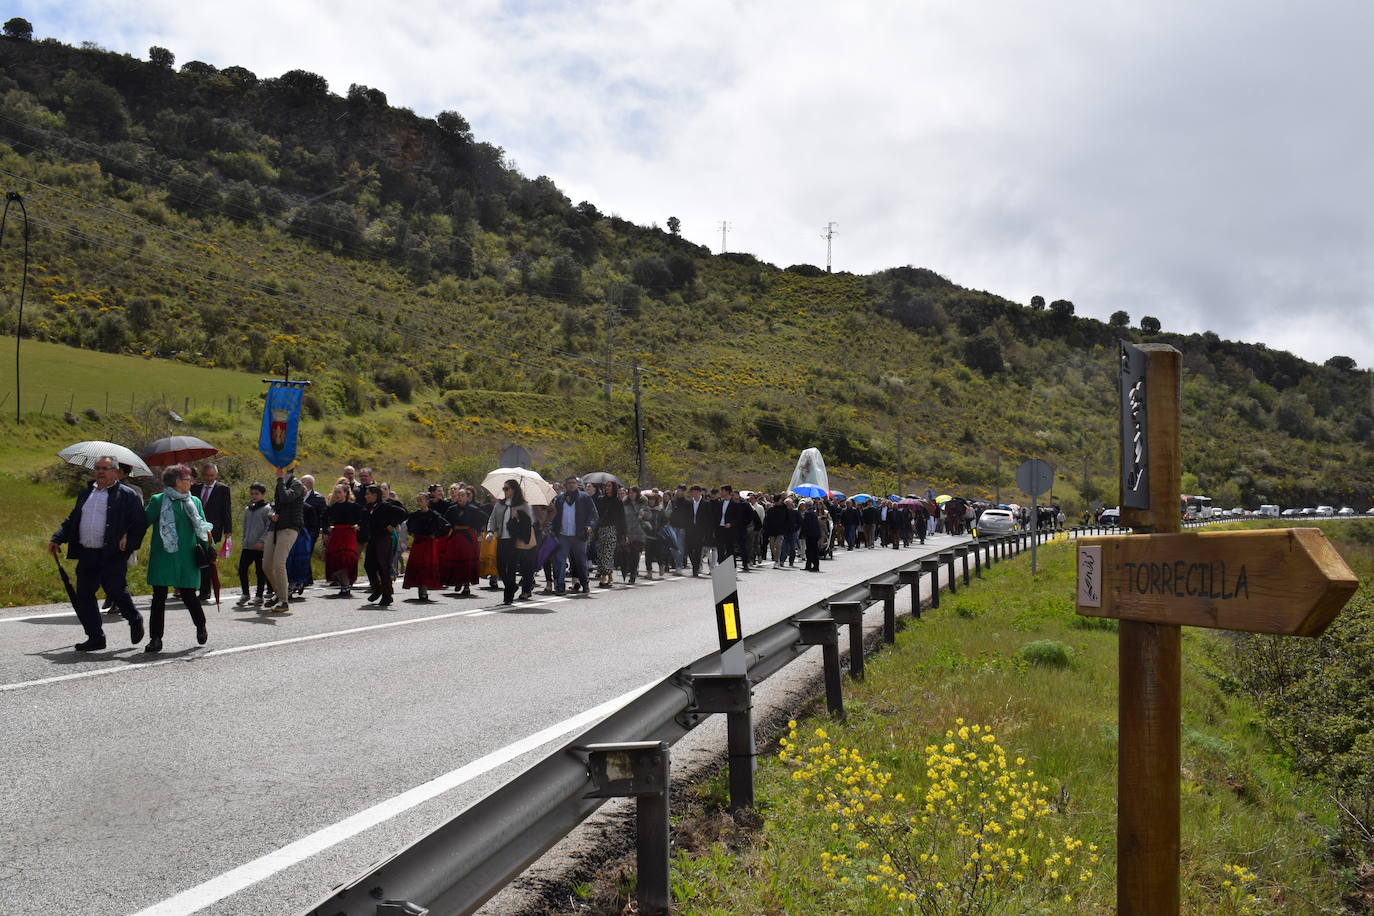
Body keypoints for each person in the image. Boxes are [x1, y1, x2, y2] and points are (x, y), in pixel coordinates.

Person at [48, 455, 148, 651]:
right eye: (97, 468)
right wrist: (57, 537)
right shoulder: (87, 493)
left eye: (105, 468)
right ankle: (95, 637)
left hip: (112, 553)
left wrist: (128, 538)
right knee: (84, 594)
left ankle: (134, 618)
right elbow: (72, 519)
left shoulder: (128, 495)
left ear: (115, 472)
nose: (100, 471)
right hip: (87, 553)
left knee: (115, 590)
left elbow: (140, 523)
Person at [142, 464, 213, 653]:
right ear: (176, 482)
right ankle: (155, 639)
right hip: (163, 555)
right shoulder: (158, 500)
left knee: (189, 596)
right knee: (159, 597)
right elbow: (143, 522)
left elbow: (202, 528)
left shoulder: (195, 501)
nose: (191, 482)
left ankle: (201, 625)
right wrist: (127, 539)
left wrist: (209, 549)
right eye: (188, 479)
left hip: (187, 556)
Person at [262, 466, 305, 613]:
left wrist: (280, 480)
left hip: (290, 528)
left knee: (279, 563)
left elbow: (286, 498)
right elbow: (273, 506)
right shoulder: (280, 485)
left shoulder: (297, 484)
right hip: (275, 528)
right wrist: (271, 514)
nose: (277, 471)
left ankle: (284, 601)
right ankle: (279, 593)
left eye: (281, 470)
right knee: (266, 565)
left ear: (288, 471)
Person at [487, 479, 537, 603]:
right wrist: (490, 532)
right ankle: (512, 586)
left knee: (511, 568)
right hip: (501, 539)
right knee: (500, 567)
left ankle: (507, 597)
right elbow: (492, 519)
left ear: (514, 490)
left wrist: (519, 516)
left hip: (514, 540)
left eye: (507, 488)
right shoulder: (500, 504)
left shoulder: (523, 505)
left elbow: (530, 523)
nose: (504, 491)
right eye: (503, 488)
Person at [549, 475, 597, 595]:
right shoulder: (560, 498)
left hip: (579, 535)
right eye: (569, 483)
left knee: (581, 561)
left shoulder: (584, 497)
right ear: (565, 485)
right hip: (563, 535)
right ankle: (560, 587)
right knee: (560, 561)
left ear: (577, 485)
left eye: (573, 483)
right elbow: (554, 516)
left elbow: (593, 514)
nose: (571, 485)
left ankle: (585, 584)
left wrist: (590, 526)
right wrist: (552, 528)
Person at [191, 462, 231, 603]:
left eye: (212, 476)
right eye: (207, 475)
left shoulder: (223, 489)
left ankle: (205, 591)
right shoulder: (195, 488)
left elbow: (226, 510)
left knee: (208, 561)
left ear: (216, 475)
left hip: (212, 531)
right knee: (198, 559)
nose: (209, 478)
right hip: (196, 529)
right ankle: (194, 587)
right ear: (203, 475)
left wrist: (228, 530)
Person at [362, 484, 406, 606]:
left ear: (375, 495)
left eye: (368, 494)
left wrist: (392, 524)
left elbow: (403, 513)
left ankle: (387, 595)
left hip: (383, 539)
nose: (365, 496)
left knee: (383, 567)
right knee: (369, 566)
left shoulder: (385, 506)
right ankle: (377, 589)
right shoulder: (368, 507)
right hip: (372, 539)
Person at [403, 492, 451, 601]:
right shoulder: (414, 515)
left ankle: (424, 587)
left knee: (426, 565)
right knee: (417, 564)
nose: (419, 502)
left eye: (421, 500)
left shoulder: (433, 515)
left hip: (429, 543)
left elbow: (447, 525)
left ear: (427, 501)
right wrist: (411, 532)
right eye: (418, 500)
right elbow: (408, 524)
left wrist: (436, 535)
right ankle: (420, 587)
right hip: (418, 542)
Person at [323, 482, 365, 597]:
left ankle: (346, 585)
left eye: (339, 492)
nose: (337, 494)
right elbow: (323, 517)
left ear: (346, 493)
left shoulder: (353, 506)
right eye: (335, 492)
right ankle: (344, 585)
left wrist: (358, 525)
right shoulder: (332, 507)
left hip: (348, 534)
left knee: (347, 559)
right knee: (335, 560)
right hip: (336, 534)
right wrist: (327, 529)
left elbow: (364, 516)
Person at [443, 486, 486, 597]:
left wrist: (475, 527)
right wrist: (452, 526)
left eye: (463, 495)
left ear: (468, 498)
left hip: (468, 536)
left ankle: (466, 584)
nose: (460, 497)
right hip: (456, 536)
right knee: (456, 559)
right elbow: (444, 520)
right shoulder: (452, 509)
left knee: (467, 561)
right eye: (459, 495)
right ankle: (458, 581)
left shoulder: (473, 509)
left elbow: (484, 518)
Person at [235, 483, 271, 607]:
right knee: (242, 569)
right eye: (252, 493)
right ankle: (245, 593)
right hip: (248, 546)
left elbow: (268, 527)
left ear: (263, 494)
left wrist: (261, 541)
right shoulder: (248, 509)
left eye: (257, 493)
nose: (254, 496)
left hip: (260, 547)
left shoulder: (267, 509)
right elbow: (245, 526)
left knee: (260, 571)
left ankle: (259, 596)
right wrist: (244, 540)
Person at [592, 481, 625, 588]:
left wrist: (623, 533)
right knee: (600, 553)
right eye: (606, 486)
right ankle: (608, 573)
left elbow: (621, 519)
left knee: (608, 552)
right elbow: (596, 514)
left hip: (612, 529)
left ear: (614, 488)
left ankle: (604, 575)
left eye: (609, 486)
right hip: (600, 529)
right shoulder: (600, 500)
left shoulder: (618, 502)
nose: (607, 488)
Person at [800, 499, 823, 572]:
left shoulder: (808, 513)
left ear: (807, 505)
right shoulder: (813, 512)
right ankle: (809, 565)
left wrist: (803, 534)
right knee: (812, 550)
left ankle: (814, 566)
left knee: (811, 550)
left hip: (810, 535)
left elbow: (807, 525)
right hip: (814, 535)